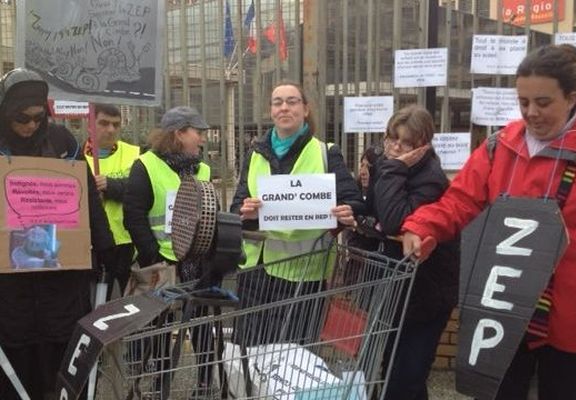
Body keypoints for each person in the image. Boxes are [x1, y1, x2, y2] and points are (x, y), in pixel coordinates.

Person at [402, 44, 576, 400]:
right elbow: (460, 200)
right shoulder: (500, 146)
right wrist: (423, 226)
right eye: (524, 102)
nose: (531, 113)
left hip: (571, 311)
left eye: (543, 102)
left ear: (571, 99)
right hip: (501, 307)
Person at [0, 68, 115, 400]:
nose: (31, 126)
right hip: (12, 292)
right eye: (21, 118)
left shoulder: (63, 142)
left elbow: (89, 199)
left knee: (61, 367)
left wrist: (106, 248)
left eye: (38, 117)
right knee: (16, 370)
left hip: (60, 285)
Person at [230, 80, 365, 345]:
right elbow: (237, 206)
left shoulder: (326, 153)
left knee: (292, 355)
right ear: (271, 111)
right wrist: (245, 211)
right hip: (256, 275)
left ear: (305, 109)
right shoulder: (255, 154)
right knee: (251, 350)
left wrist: (347, 212)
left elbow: (353, 201)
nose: (284, 108)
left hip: (302, 275)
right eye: (277, 102)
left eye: (292, 102)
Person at [362, 105, 459, 400]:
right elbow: (374, 213)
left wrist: (393, 169)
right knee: (393, 373)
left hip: (426, 295)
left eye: (403, 142)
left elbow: (395, 221)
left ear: (421, 146)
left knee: (405, 379)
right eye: (390, 138)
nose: (393, 147)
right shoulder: (389, 167)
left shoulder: (430, 180)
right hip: (396, 292)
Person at [123, 105, 213, 397]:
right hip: (162, 263)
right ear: (178, 133)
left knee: (201, 325)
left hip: (195, 262)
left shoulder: (203, 169)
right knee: (160, 329)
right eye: (197, 133)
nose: (201, 139)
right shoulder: (146, 165)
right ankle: (160, 383)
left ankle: (205, 383)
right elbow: (134, 217)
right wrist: (154, 259)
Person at [84, 103, 140, 297]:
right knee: (98, 299)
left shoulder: (134, 154)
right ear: (90, 125)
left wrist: (110, 185)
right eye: (104, 123)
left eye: (116, 125)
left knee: (129, 301)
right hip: (94, 242)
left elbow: (138, 190)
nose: (111, 130)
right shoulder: (76, 156)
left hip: (126, 241)